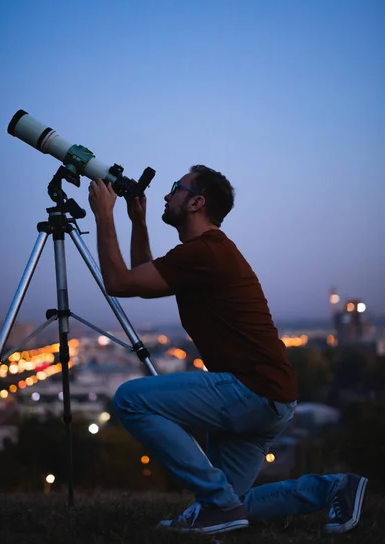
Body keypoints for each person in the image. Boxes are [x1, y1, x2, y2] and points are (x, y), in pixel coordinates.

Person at [88, 165, 367, 535]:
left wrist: (103, 213)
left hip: (249, 390)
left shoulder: (205, 253)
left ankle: (218, 504)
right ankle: (333, 488)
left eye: (176, 188)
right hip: (273, 396)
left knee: (129, 400)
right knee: (229, 506)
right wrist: (137, 221)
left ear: (196, 203)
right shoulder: (203, 254)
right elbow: (143, 276)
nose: (167, 195)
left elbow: (118, 282)